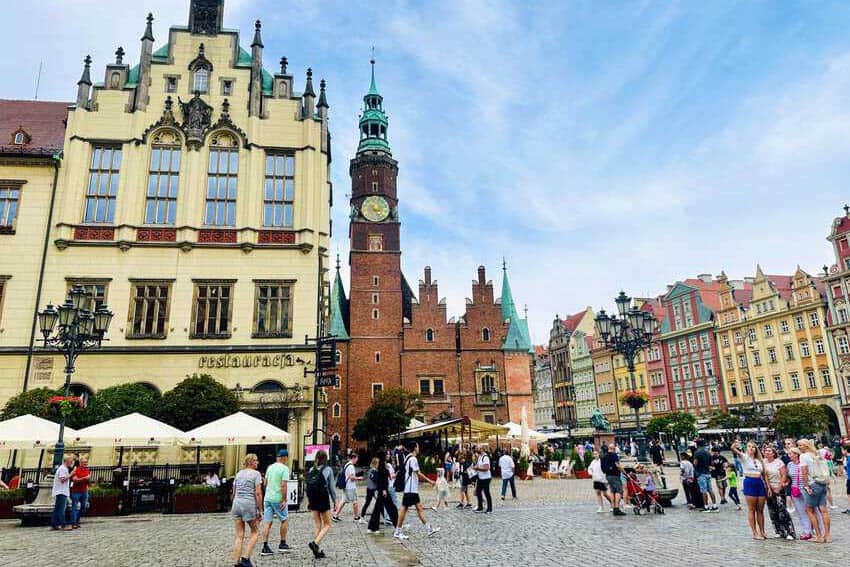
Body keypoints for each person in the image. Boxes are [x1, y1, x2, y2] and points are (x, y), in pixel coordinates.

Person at [394, 442, 439, 540]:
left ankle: (428, 528)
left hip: (411, 488)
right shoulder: (413, 459)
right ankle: (398, 531)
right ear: (415, 448)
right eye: (418, 446)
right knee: (404, 509)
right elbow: (418, 473)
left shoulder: (407, 457)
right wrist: (430, 481)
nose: (419, 448)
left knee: (418, 508)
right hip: (410, 489)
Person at [229, 453, 263, 567]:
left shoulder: (239, 474)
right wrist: (260, 510)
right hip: (248, 504)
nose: (258, 462)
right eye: (256, 460)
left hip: (237, 504)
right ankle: (246, 558)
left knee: (239, 535)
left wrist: (235, 502)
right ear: (251, 462)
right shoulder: (256, 474)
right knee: (255, 532)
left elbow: (233, 492)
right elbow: (258, 493)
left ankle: (236, 562)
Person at [731, 440, 767, 540]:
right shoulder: (744, 457)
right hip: (750, 482)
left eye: (753, 447)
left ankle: (762, 531)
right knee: (752, 509)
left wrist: (767, 486)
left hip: (759, 482)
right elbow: (733, 449)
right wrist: (736, 443)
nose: (751, 448)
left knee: (760, 509)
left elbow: (764, 474)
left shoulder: (759, 460)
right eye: (749, 446)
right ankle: (754, 532)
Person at [798, 438, 831, 543]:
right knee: (824, 510)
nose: (799, 447)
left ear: (806, 446)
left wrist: (806, 486)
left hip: (813, 484)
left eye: (801, 445)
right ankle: (827, 536)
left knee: (809, 510)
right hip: (822, 483)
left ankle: (818, 536)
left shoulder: (803, 456)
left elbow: (804, 472)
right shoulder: (817, 454)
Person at [259, 449, 291, 556]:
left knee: (267, 522)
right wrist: (284, 499)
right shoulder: (285, 469)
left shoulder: (270, 467)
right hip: (278, 498)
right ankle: (282, 543)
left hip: (268, 498)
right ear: (285, 458)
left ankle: (265, 546)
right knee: (284, 520)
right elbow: (283, 485)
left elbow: (265, 483)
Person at [305, 450, 336, 559]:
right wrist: (335, 501)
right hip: (323, 498)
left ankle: (316, 550)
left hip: (312, 499)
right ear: (325, 458)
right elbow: (332, 488)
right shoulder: (328, 470)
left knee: (318, 524)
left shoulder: (311, 469)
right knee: (327, 524)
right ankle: (315, 543)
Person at [763, 446, 794, 540]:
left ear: (773, 453)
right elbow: (765, 477)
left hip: (779, 488)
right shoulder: (763, 462)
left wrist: (779, 487)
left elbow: (784, 475)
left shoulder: (779, 462)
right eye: (766, 451)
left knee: (782, 511)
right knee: (772, 511)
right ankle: (778, 531)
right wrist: (769, 487)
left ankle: (789, 531)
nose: (767, 452)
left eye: (769, 451)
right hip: (769, 488)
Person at [368, 451, 398, 534]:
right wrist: (384, 490)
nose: (388, 456)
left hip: (383, 490)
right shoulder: (381, 465)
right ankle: (398, 526)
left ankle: (372, 527)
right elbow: (381, 479)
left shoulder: (383, 465)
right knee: (391, 508)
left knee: (378, 509)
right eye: (387, 455)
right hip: (383, 490)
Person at [787, 447, 813, 540]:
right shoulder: (789, 465)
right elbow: (789, 478)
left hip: (805, 489)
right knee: (801, 512)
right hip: (795, 490)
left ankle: (814, 529)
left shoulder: (803, 463)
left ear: (796, 454)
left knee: (810, 511)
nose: (789, 455)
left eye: (791, 454)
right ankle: (807, 531)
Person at [333, 453, 362, 523]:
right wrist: (359, 478)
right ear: (354, 458)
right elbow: (352, 478)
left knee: (343, 501)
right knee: (355, 501)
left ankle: (335, 515)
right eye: (357, 459)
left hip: (346, 486)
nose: (357, 460)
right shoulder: (351, 466)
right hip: (350, 487)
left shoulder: (347, 464)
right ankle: (356, 517)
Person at [693, 439, 718, 512]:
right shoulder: (708, 452)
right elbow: (712, 463)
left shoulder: (697, 453)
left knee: (703, 491)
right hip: (708, 473)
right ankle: (714, 506)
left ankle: (706, 507)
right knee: (710, 490)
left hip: (701, 473)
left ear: (697, 445)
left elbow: (695, 463)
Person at [601, 443, 626, 516]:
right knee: (618, 490)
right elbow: (617, 465)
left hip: (608, 475)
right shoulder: (614, 455)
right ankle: (617, 508)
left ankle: (613, 506)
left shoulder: (604, 456)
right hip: (615, 475)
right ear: (613, 448)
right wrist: (624, 472)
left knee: (612, 491)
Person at [50, 454, 73, 531]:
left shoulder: (62, 468)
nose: (71, 462)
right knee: (61, 509)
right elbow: (62, 479)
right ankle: (63, 525)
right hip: (61, 491)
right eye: (70, 461)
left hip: (60, 491)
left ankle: (54, 524)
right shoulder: (63, 469)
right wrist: (71, 474)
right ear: (66, 461)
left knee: (57, 509)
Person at [70, 455, 91, 529]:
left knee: (83, 507)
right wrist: (84, 478)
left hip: (84, 491)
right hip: (76, 491)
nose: (85, 464)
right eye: (84, 462)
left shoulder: (87, 470)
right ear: (80, 463)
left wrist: (88, 480)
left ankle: (77, 521)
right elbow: (75, 479)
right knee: (74, 507)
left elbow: (88, 481)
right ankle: (73, 523)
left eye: (86, 462)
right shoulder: (76, 469)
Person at [473, 447, 493, 513]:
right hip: (480, 477)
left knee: (486, 493)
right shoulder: (479, 457)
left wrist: (477, 468)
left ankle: (489, 509)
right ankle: (480, 507)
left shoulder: (485, 457)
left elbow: (486, 468)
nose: (477, 450)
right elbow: (477, 465)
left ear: (482, 449)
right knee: (478, 492)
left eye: (478, 448)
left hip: (486, 478)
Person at [842, 445, 850, 514]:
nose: (842, 451)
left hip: (849, 479)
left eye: (843, 450)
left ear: (846, 450)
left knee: (849, 494)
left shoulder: (848, 458)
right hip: (848, 478)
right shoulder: (847, 458)